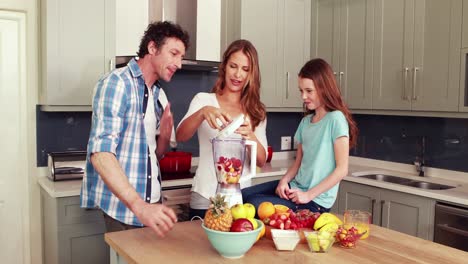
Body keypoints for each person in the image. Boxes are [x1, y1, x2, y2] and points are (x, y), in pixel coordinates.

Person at [80, 21, 190, 237]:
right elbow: (100, 153)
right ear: (152, 48)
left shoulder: (158, 95)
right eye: (174, 53)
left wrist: (164, 138)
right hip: (125, 210)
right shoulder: (117, 83)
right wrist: (140, 206)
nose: (179, 64)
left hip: (153, 205)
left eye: (182, 57)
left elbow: (155, 154)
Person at [242, 58, 358, 214]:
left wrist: (307, 195)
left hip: (314, 201)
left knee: (255, 204)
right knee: (242, 195)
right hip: (295, 188)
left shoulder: (336, 119)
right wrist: (284, 181)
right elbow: (298, 163)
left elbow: (342, 170)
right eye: (301, 91)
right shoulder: (305, 122)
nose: (303, 96)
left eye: (308, 91)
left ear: (324, 88)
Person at [176, 39, 268, 219]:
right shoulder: (204, 100)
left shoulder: (256, 111)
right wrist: (202, 113)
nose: (238, 74)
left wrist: (250, 135)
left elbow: (262, 161)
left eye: (245, 69)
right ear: (225, 66)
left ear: (252, 74)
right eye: (233, 66)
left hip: (241, 201)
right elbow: (181, 136)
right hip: (205, 197)